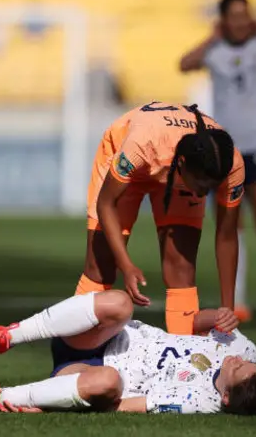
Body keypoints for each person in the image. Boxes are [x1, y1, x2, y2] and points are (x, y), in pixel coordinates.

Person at [0, 290, 256, 415]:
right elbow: (194, 322)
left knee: (108, 381)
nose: (238, 361)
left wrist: (53, 404)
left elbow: (128, 405)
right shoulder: (243, 348)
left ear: (226, 397)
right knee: (120, 303)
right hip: (103, 336)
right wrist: (217, 316)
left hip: (87, 373)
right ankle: (7, 336)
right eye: (251, 366)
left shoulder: (198, 402)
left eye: (239, 370)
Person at [71, 102, 244, 335]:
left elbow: (226, 235)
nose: (204, 193)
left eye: (212, 187)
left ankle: (183, 359)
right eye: (202, 185)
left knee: (181, 267)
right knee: (101, 265)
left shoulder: (231, 164)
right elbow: (106, 203)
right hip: (130, 160)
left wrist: (228, 310)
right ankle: (74, 352)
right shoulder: (141, 144)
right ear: (182, 165)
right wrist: (126, 265)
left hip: (176, 174)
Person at [179, 0, 256, 326]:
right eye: (234, 16)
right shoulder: (215, 51)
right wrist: (212, 38)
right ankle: (239, 302)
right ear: (223, 19)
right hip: (227, 152)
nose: (241, 21)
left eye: (246, 15)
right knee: (232, 228)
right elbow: (184, 63)